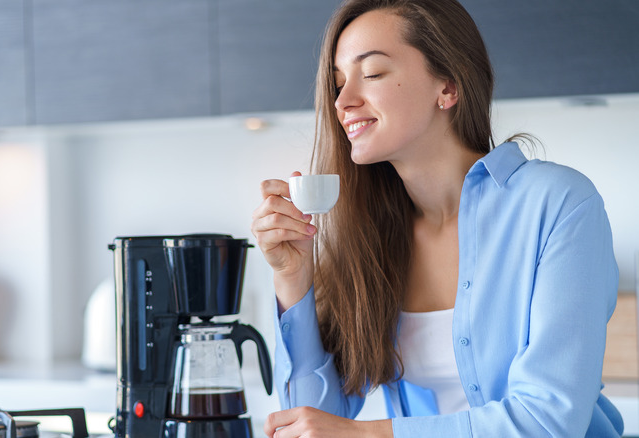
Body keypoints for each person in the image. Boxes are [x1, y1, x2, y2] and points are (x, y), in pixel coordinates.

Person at [250, 0, 623, 436]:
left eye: (371, 74)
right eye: (337, 83)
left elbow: (548, 420)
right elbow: (310, 418)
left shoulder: (557, 203)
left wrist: (366, 434)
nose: (343, 101)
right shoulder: (369, 234)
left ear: (447, 86)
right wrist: (292, 278)